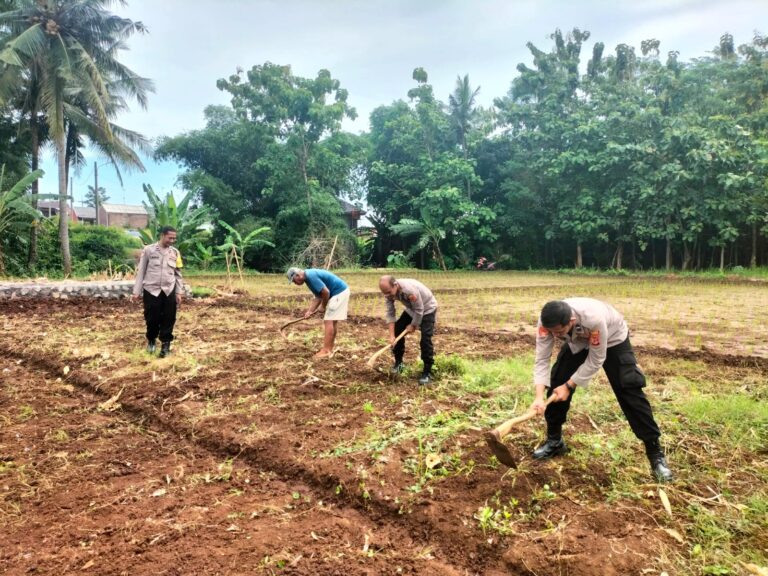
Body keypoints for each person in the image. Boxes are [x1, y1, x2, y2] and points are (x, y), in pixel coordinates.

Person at [530, 298, 674, 482]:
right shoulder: (546, 323)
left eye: (558, 332)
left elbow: (596, 359)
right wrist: (539, 396)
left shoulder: (593, 319)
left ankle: (656, 455)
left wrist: (569, 386)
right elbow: (542, 359)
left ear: (571, 321)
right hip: (578, 342)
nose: (555, 336)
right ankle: (554, 441)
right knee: (557, 379)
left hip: (613, 338)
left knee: (629, 388)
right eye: (551, 332)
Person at [132, 226, 184, 358]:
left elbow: (178, 274)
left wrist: (178, 292)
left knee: (169, 317)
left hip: (169, 290)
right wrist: (136, 291)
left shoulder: (175, 253)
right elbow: (141, 271)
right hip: (151, 289)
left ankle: (166, 345)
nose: (172, 240)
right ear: (162, 235)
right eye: (170, 237)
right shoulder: (148, 250)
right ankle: (151, 340)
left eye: (174, 238)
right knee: (152, 317)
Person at [378, 275, 438, 385]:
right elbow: (390, 313)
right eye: (384, 293)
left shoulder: (409, 291)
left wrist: (413, 325)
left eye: (389, 292)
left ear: (395, 285)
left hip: (427, 309)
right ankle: (399, 363)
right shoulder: (388, 294)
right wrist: (392, 335)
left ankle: (427, 372)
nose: (387, 296)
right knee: (398, 330)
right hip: (412, 309)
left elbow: (420, 310)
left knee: (425, 339)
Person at [287, 267, 351, 359]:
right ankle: (329, 349)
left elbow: (326, 292)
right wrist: (310, 311)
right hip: (341, 292)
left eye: (294, 281)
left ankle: (326, 351)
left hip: (339, 293)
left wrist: (323, 306)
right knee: (332, 321)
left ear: (297, 275)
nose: (295, 283)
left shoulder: (311, 276)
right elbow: (318, 296)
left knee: (328, 321)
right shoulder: (308, 279)